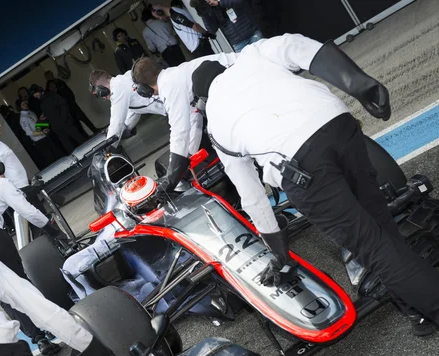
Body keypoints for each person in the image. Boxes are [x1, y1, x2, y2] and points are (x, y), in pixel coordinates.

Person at [191, 33, 439, 335]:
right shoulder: (252, 56)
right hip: (340, 127)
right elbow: (297, 45)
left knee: (373, 248)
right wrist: (357, 82)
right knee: (382, 226)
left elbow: (252, 197)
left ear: (202, 100)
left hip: (301, 168)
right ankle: (416, 309)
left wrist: (279, 253)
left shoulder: (215, 121)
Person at [0, 151, 69, 355]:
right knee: (21, 283)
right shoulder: (0, 183)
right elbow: (27, 211)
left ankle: (39, 338)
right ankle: (55, 324)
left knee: (3, 294)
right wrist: (52, 229)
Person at [131, 52, 238, 198]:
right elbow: (193, 119)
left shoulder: (169, 86)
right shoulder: (176, 76)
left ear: (145, 89)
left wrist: (171, 179)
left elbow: (179, 131)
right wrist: (187, 159)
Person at [88, 69, 167, 141]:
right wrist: (124, 129)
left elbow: (116, 123)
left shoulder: (117, 91)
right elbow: (132, 113)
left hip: (173, 104)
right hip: (172, 103)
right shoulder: (125, 78)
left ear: (102, 90)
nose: (104, 98)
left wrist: (108, 146)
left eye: (101, 94)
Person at [190, 0, 262, 52]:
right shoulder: (210, 7)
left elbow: (240, 2)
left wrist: (219, 3)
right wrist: (204, 14)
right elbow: (212, 30)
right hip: (237, 43)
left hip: (252, 33)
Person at [44, 70, 99, 135]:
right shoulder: (50, 86)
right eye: (50, 75)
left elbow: (67, 90)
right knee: (76, 122)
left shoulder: (58, 81)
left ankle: (94, 130)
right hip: (66, 107)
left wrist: (72, 99)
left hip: (71, 103)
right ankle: (85, 135)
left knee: (83, 118)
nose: (51, 76)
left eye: (51, 74)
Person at [39, 81, 87, 153]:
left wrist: (64, 118)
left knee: (77, 140)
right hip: (56, 128)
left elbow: (63, 105)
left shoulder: (50, 97)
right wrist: (43, 125)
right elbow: (45, 119)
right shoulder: (42, 103)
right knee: (71, 145)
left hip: (62, 125)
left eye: (36, 93)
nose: (35, 96)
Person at [19, 99, 60, 168]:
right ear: (19, 107)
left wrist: (41, 121)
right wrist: (42, 132)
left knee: (55, 153)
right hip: (39, 140)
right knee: (50, 158)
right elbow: (28, 132)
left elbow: (36, 124)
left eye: (25, 103)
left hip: (44, 136)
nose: (25, 105)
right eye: (23, 104)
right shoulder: (23, 118)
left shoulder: (31, 112)